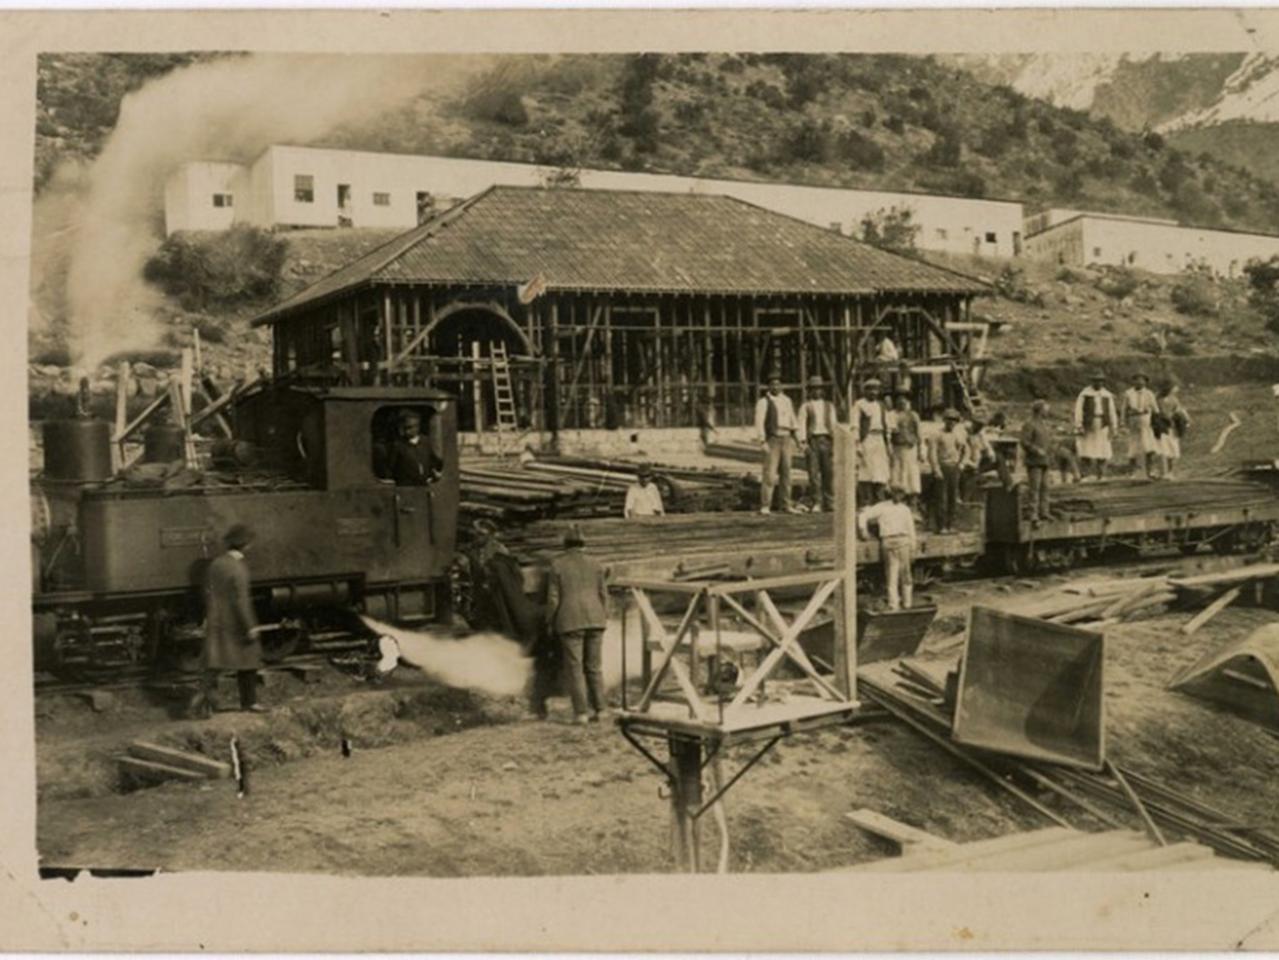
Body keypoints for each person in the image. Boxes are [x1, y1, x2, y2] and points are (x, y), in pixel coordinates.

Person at [189, 524, 266, 718]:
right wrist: (250, 626)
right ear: (246, 545)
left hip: (217, 620)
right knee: (249, 659)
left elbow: (206, 591)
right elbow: (241, 601)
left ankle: (203, 705)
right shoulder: (239, 568)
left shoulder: (216, 564)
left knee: (214, 663)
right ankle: (250, 702)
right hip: (235, 623)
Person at [544, 525, 610, 725]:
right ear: (583, 544)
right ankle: (601, 710)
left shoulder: (557, 565)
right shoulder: (597, 564)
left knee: (575, 668)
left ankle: (581, 713)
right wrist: (603, 616)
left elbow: (554, 598)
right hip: (596, 619)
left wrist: (549, 620)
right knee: (594, 667)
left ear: (565, 545)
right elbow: (604, 595)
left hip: (570, 621)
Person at [857, 486, 917, 611]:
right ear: (891, 494)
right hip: (888, 541)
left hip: (903, 541)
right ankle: (893, 605)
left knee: (906, 574)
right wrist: (863, 530)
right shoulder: (882, 507)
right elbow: (863, 515)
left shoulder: (905, 509)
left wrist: (913, 547)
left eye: (901, 494)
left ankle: (907, 604)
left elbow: (911, 529)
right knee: (891, 574)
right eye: (896, 493)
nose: (898, 496)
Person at [753, 374, 800, 515]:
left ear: (781, 385)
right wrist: (762, 440)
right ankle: (765, 505)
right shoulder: (763, 402)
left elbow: (793, 421)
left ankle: (786, 504)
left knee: (786, 473)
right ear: (768, 386)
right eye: (772, 384)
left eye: (778, 384)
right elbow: (759, 422)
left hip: (786, 438)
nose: (776, 387)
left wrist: (798, 440)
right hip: (772, 439)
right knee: (770, 474)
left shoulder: (787, 400)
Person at [797, 375, 839, 512]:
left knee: (829, 473)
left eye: (819, 389)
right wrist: (803, 443)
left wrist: (835, 441)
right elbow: (801, 425)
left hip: (827, 440)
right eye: (814, 389)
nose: (816, 391)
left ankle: (830, 501)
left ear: (822, 390)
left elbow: (833, 424)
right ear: (810, 391)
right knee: (814, 474)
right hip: (813, 440)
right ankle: (817, 502)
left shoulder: (829, 406)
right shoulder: (806, 406)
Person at [852, 378, 891, 503]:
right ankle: (866, 500)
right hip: (867, 438)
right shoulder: (859, 404)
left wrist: (888, 443)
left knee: (880, 470)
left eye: (876, 390)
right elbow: (855, 425)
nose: (874, 392)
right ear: (865, 391)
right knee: (866, 469)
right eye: (871, 390)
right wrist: (857, 444)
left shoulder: (881, 405)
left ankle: (879, 498)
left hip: (879, 439)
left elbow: (887, 424)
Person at [929, 408, 968, 533]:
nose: (951, 422)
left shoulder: (958, 435)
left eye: (954, 420)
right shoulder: (937, 435)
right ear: (944, 420)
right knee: (941, 498)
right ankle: (941, 526)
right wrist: (936, 469)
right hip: (942, 467)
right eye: (949, 420)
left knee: (953, 497)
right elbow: (932, 453)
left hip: (954, 468)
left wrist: (962, 464)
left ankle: (951, 525)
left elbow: (966, 450)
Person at [1074, 371, 1118, 481]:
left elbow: (1112, 411)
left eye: (1100, 381)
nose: (1098, 383)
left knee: (1103, 449)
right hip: (1089, 424)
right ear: (1092, 381)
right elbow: (1078, 410)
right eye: (1096, 381)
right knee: (1087, 449)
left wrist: (1114, 426)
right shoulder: (1085, 394)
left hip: (1103, 424)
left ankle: (1101, 475)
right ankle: (1085, 474)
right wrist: (1079, 425)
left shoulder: (1107, 395)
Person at [381, 409, 442, 485]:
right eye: (404, 428)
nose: (406, 431)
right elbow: (390, 468)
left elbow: (433, 461)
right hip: (405, 487)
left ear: (417, 427)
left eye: (409, 427)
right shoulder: (398, 445)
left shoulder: (425, 442)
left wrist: (434, 473)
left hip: (425, 485)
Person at [1019, 400, 1055, 524]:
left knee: (1045, 487)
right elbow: (1024, 442)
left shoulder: (1044, 424)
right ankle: (1033, 514)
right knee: (1034, 488)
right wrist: (1036, 450)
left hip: (1045, 461)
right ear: (1040, 410)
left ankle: (1044, 512)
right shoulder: (1029, 424)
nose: (1048, 412)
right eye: (1046, 409)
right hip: (1034, 461)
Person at [1121, 372, 1160, 479]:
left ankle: (1150, 470)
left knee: (1149, 446)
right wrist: (1123, 423)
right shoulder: (1128, 393)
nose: (1139, 382)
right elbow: (1124, 409)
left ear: (1145, 382)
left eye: (1141, 380)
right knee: (1134, 446)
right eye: (1136, 379)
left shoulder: (1149, 394)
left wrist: (1156, 421)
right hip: (1133, 421)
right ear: (1133, 381)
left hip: (1146, 422)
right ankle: (1133, 472)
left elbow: (1156, 410)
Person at [889, 392, 922, 507]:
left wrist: (920, 451)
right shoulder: (892, 415)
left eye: (905, 400)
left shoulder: (913, 415)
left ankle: (913, 502)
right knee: (897, 473)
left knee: (911, 474)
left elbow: (919, 434)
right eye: (899, 399)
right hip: (897, 448)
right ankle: (898, 501)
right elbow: (889, 432)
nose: (902, 402)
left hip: (910, 448)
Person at [1156, 381, 1190, 479]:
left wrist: (1185, 420)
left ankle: (1170, 472)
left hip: (1172, 427)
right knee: (1163, 450)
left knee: (1173, 450)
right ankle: (1164, 472)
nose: (1175, 390)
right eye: (1173, 388)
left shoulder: (1174, 399)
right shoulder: (1158, 399)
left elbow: (1179, 410)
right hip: (1162, 427)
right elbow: (1157, 412)